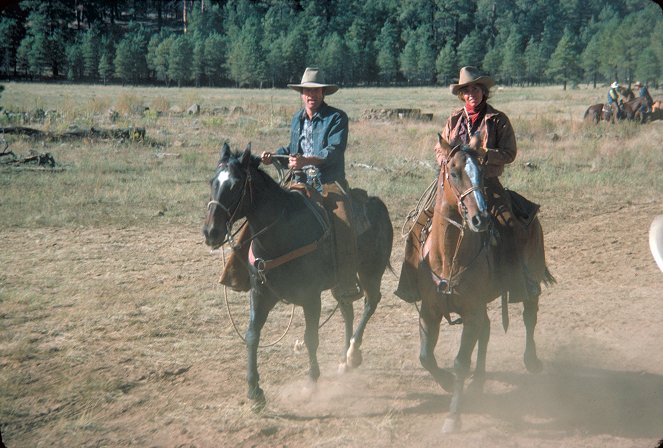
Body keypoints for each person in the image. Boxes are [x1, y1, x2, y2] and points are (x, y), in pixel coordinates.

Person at [221, 67, 362, 302]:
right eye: (307, 91)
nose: (311, 96)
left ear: (323, 94)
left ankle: (346, 280)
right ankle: (239, 273)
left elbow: (334, 152)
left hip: (328, 183)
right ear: (302, 93)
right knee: (259, 211)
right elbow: (292, 150)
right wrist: (275, 156)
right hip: (297, 182)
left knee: (344, 218)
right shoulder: (297, 118)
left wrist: (307, 160)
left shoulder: (337, 118)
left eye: (316, 92)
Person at [395, 66, 532, 302]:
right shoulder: (454, 119)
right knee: (418, 223)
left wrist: (484, 154)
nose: (471, 94)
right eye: (467, 90)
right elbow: (441, 147)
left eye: (476, 89)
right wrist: (444, 160)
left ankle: (517, 282)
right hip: (454, 185)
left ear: (484, 91)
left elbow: (510, 153)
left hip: (487, 184)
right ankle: (410, 284)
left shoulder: (498, 120)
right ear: (462, 94)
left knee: (510, 224)